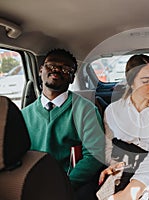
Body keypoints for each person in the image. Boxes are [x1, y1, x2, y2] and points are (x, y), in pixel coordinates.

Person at [21, 49, 106, 199]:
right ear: (41, 70)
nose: (57, 70)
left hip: (72, 183)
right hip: (34, 183)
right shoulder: (24, 115)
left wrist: (64, 185)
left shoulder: (86, 110)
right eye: (51, 65)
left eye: (66, 69)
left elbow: (94, 154)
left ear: (72, 78)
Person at [98, 54, 149, 200]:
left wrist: (130, 193)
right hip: (122, 171)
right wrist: (114, 165)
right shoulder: (112, 111)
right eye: (145, 80)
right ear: (131, 82)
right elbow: (109, 148)